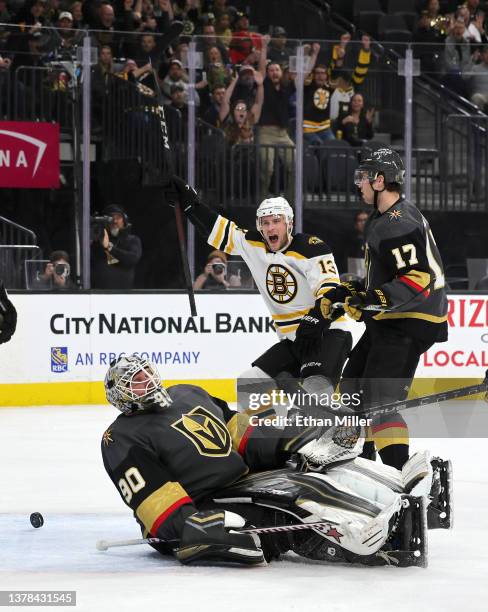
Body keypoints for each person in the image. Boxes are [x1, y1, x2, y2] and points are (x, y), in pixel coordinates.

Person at [101, 353, 446, 567]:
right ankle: (371, 540)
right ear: (120, 396)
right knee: (301, 490)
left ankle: (402, 492)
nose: (145, 383)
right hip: (206, 501)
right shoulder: (121, 437)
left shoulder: (187, 392)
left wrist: (289, 442)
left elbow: (238, 431)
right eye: (135, 382)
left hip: (240, 475)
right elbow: (153, 500)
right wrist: (191, 525)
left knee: (324, 463)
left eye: (145, 374)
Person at [305, 148, 448, 470]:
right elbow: (392, 275)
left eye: (364, 178)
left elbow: (418, 277)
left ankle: (399, 476)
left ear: (380, 181)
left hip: (409, 320)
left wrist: (374, 300)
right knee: (352, 393)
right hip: (392, 320)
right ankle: (364, 465)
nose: (360, 184)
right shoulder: (388, 217)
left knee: (380, 403)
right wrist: (354, 291)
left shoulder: (398, 222)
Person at [166, 178, 353, 408]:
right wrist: (189, 203)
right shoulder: (252, 243)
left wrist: (314, 320)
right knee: (249, 383)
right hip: (293, 342)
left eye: (277, 221)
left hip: (326, 334)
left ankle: (340, 432)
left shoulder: (312, 248)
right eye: (265, 223)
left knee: (314, 393)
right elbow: (217, 228)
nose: (270, 228)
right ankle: (261, 440)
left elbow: (330, 292)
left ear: (289, 223)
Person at [91, 204, 142, 289]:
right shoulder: (98, 241)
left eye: (118, 217)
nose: (115, 221)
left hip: (125, 293)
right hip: (99, 294)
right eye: (111, 218)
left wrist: (109, 248)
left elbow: (132, 258)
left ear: (124, 220)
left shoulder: (132, 240)